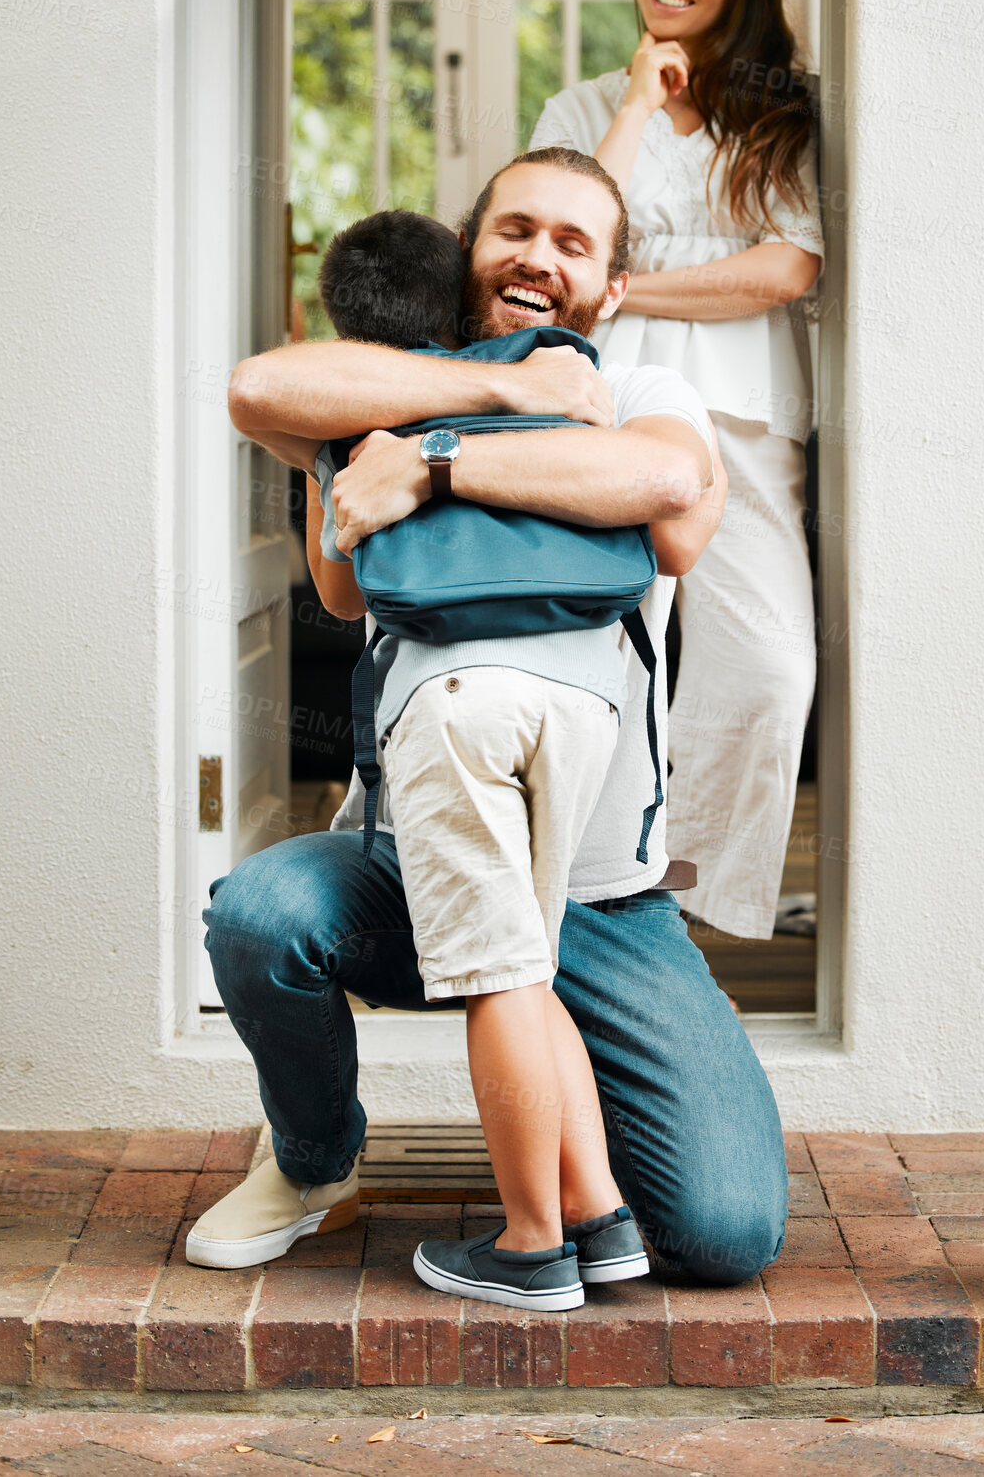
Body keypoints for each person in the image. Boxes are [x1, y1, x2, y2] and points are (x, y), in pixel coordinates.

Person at [187, 147, 789, 1289]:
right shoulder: (396, 393)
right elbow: (257, 391)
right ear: (470, 249)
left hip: (602, 893)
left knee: (723, 1233)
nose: (538, 257)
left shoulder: (643, 395)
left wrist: (441, 469)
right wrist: (494, 392)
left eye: (574, 244)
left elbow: (665, 496)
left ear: (611, 291)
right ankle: (315, 1156)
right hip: (410, 859)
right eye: (515, 229)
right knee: (261, 918)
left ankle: (572, 1168)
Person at [306, 202, 656, 1309]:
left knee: (495, 974)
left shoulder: (374, 406)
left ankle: (528, 1245)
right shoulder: (562, 371)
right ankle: (599, 1219)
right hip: (580, 694)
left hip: (456, 699)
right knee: (529, 961)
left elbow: (339, 589)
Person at [528, 0, 824, 943]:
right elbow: (574, 234)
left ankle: (698, 890)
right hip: (609, 416)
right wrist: (638, 103)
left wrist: (628, 287)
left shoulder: (786, 109)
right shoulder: (581, 107)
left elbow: (784, 269)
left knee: (769, 665)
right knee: (611, 651)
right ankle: (603, 886)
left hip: (744, 419)